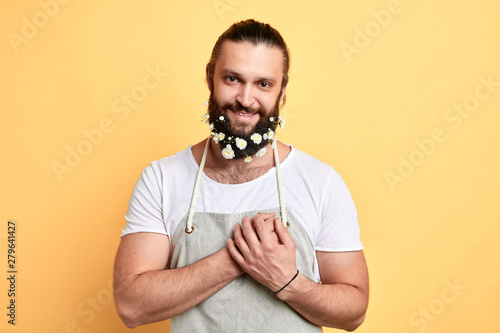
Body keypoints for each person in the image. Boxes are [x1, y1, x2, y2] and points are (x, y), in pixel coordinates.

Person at [113, 19, 369, 332]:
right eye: (233, 79)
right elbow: (131, 306)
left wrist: (288, 282)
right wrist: (240, 258)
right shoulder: (162, 179)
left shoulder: (320, 181)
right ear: (210, 77)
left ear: (281, 91)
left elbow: (354, 311)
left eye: (264, 84)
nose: (246, 99)